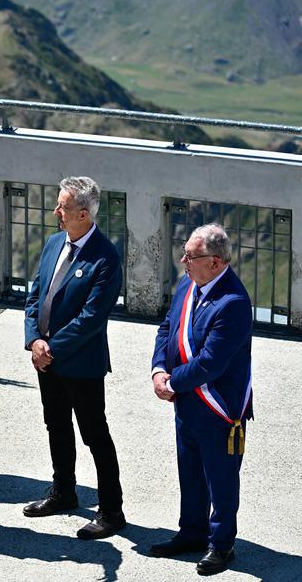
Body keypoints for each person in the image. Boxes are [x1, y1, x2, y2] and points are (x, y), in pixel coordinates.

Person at [22, 176, 125, 539]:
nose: (56, 212)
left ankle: (112, 510)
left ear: (83, 214)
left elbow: (91, 319)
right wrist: (34, 340)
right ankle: (63, 491)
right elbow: (35, 295)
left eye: (63, 207)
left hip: (79, 363)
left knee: (94, 434)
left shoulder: (106, 257)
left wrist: (51, 348)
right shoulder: (54, 243)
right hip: (46, 359)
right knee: (56, 425)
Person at [148, 224, 253, 576]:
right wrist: (158, 370)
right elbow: (168, 327)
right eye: (185, 253)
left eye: (191, 257)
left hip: (218, 407)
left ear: (216, 262)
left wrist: (171, 383)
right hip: (187, 401)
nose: (183, 261)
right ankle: (192, 532)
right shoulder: (188, 284)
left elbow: (211, 362)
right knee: (190, 472)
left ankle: (221, 545)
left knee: (220, 479)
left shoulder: (233, 303)